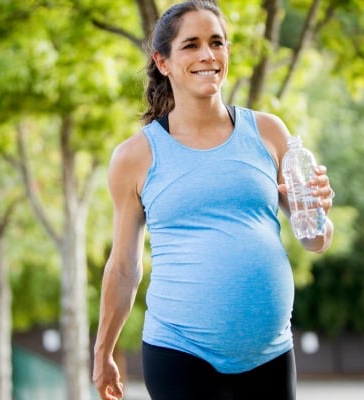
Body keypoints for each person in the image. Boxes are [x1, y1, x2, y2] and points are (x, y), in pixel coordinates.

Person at [92, 1, 335, 399]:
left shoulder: (270, 133)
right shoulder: (136, 157)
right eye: (191, 45)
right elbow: (122, 269)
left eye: (216, 42)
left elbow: (316, 241)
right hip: (179, 354)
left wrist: (317, 213)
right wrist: (103, 352)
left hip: (270, 355)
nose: (207, 55)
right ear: (163, 61)